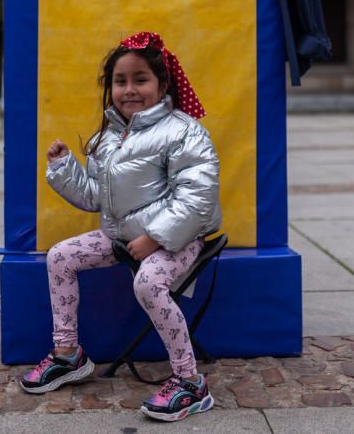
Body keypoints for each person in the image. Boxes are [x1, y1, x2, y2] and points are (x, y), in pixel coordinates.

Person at [19, 31, 221, 423]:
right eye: (120, 81)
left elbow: (198, 198)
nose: (129, 89)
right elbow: (97, 198)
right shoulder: (108, 137)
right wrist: (64, 170)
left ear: (162, 84)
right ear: (110, 87)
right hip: (125, 237)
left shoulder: (184, 130)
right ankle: (68, 354)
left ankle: (190, 381)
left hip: (178, 240)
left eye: (140, 79)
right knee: (60, 257)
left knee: (148, 283)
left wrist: (156, 237)